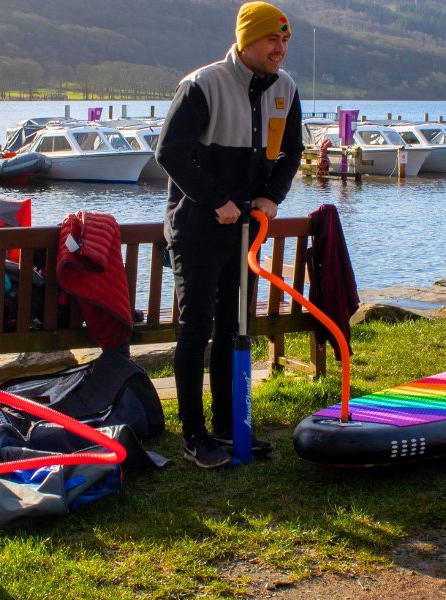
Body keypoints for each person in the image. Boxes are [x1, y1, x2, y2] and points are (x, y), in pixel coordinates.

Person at [156, 1, 303, 468]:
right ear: (246, 41)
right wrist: (216, 198)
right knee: (196, 329)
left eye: (284, 41)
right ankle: (193, 434)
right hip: (198, 226)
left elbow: (292, 151)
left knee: (235, 327)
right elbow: (170, 153)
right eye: (271, 40)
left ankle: (226, 425)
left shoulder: (286, 88)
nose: (280, 49)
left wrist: (272, 197)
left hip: (244, 232)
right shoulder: (203, 84)